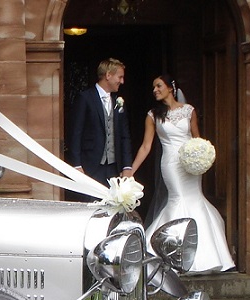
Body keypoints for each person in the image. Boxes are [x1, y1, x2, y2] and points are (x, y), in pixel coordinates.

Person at [130, 75, 235, 274]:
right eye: (153, 87)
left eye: (159, 86)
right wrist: (131, 170)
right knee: (177, 199)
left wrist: (202, 157)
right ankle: (164, 252)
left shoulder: (189, 111)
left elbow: (197, 138)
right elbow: (146, 146)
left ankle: (206, 256)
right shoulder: (153, 115)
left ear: (171, 88)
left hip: (190, 163)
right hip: (170, 163)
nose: (155, 90)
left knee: (195, 198)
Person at [65, 58, 133, 200]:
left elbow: (124, 136)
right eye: (120, 77)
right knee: (91, 204)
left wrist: (127, 166)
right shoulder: (85, 98)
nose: (122, 81)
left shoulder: (118, 102)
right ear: (108, 75)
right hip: (90, 166)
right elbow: (75, 133)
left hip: (114, 167)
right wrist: (76, 165)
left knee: (113, 204)